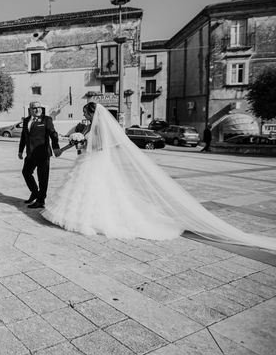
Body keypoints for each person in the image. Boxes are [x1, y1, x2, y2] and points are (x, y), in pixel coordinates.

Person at [42, 102, 276, 251]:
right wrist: (73, 144)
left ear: (93, 113)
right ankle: (82, 219)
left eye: (86, 113)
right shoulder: (85, 127)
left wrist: (84, 144)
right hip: (85, 160)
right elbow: (81, 142)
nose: (84, 116)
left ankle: (93, 221)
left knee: (99, 192)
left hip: (95, 162)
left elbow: (103, 147)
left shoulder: (100, 128)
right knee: (85, 192)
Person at [18, 101, 62, 209]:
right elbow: (24, 137)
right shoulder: (26, 120)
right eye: (34, 108)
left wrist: (56, 147)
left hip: (43, 154)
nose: (37, 110)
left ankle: (41, 200)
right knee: (26, 172)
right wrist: (20, 151)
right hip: (30, 154)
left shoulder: (46, 119)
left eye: (39, 107)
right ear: (30, 110)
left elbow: (53, 133)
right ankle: (34, 192)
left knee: (43, 178)